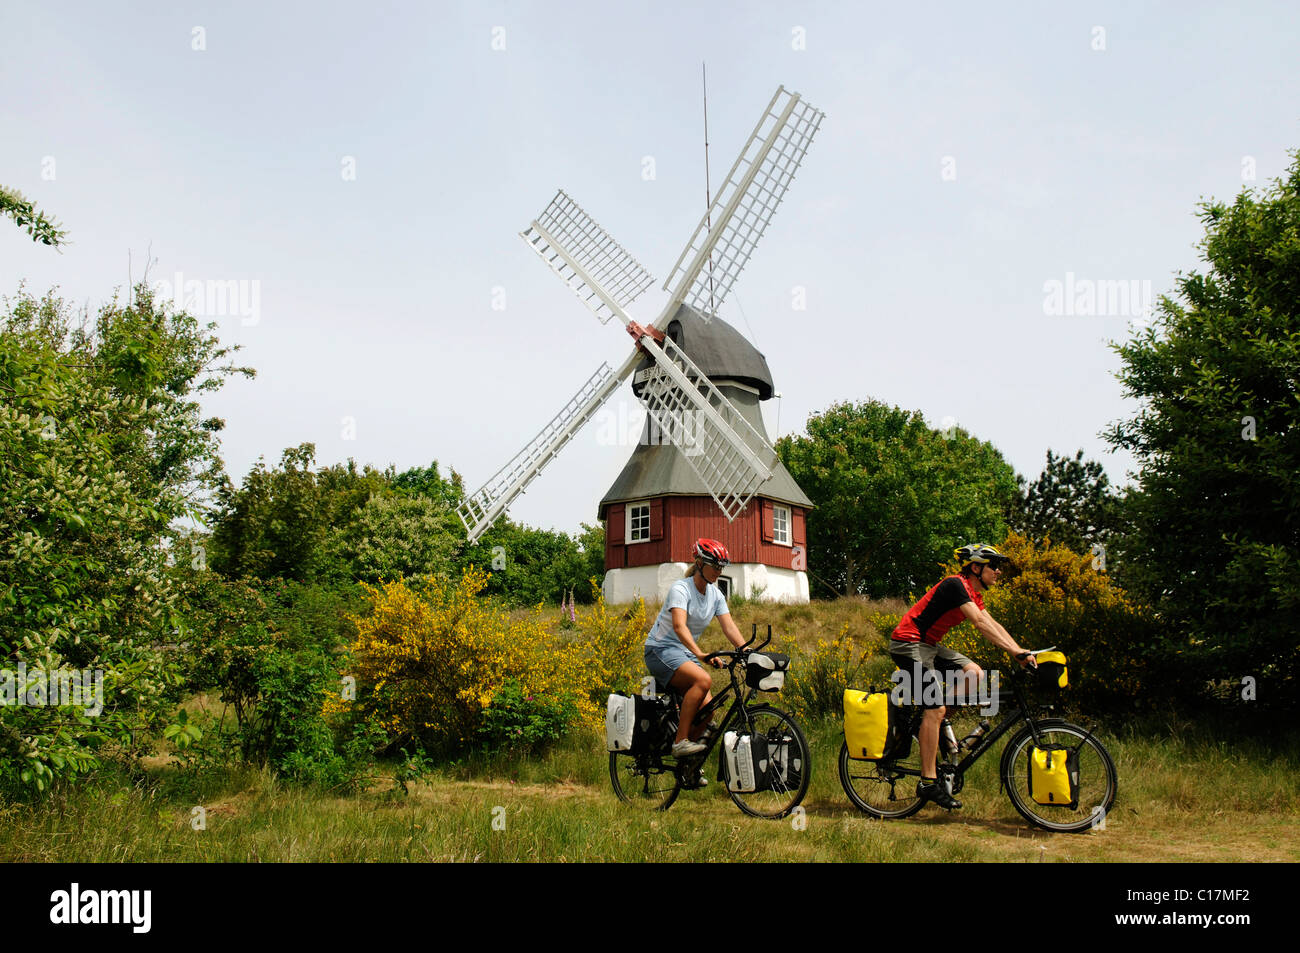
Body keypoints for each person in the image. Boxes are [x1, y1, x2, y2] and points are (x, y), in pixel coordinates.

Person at [890, 543, 1035, 810]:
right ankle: (928, 782)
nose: (999, 571)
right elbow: (979, 625)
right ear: (976, 567)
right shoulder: (955, 585)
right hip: (908, 644)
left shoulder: (973, 595)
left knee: (974, 674)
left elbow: (992, 624)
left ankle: (934, 721)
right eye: (995, 566)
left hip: (929, 646)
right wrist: (1015, 652)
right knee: (935, 706)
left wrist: (1020, 650)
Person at [644, 538, 747, 760]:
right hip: (660, 650)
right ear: (700, 563)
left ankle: (686, 764)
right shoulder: (681, 589)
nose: (718, 571)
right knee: (703, 680)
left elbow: (729, 627)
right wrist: (700, 654)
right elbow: (679, 626)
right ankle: (681, 741)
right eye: (715, 565)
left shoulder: (716, 595)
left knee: (708, 710)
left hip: (683, 654)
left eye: (721, 567)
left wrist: (748, 652)